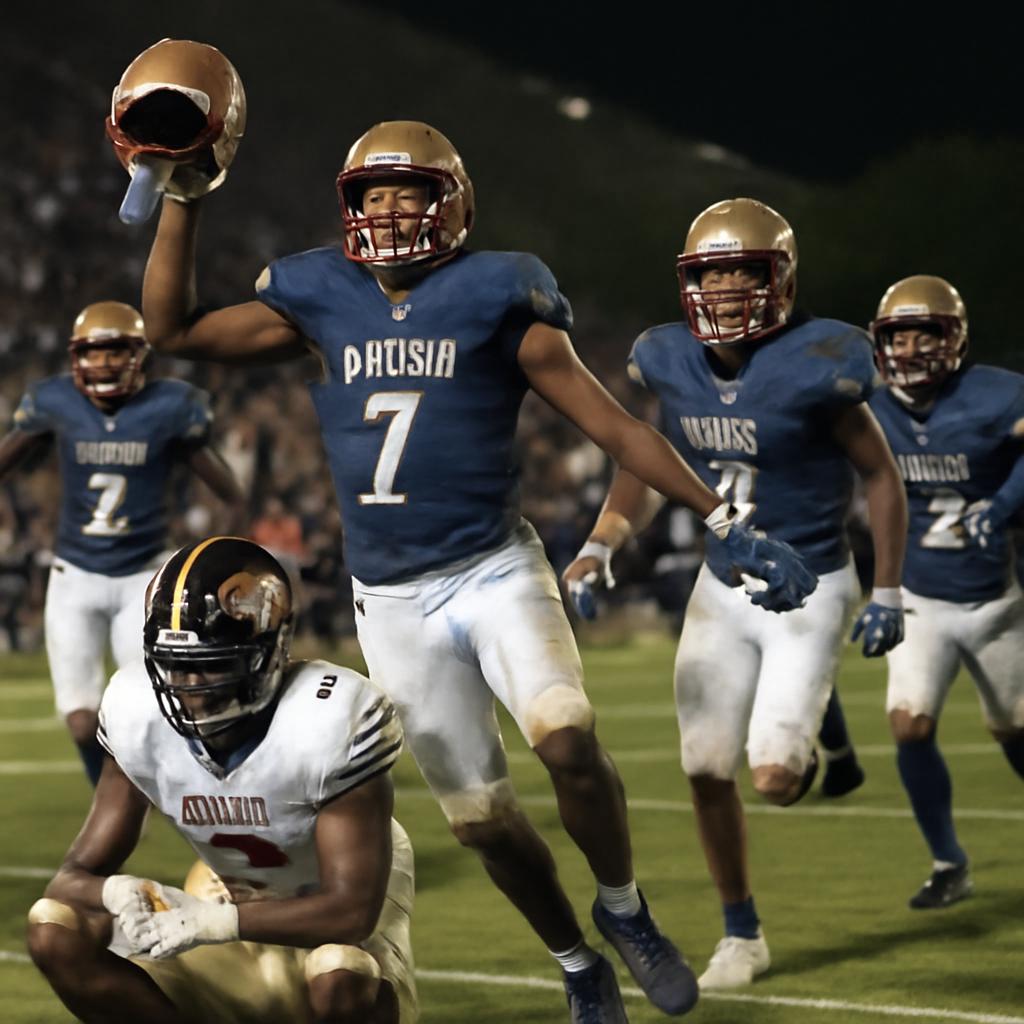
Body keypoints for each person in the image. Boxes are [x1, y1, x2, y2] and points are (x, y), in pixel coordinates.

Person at [118, 39, 815, 1020]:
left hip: (491, 567)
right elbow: (175, 329)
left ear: (456, 205)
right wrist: (184, 191)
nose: (394, 209)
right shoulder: (317, 293)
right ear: (350, 204)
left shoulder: (502, 289)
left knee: (567, 736)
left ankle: (623, 908)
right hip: (389, 596)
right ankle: (575, 961)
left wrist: (725, 516)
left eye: (413, 191)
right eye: (377, 192)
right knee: (484, 822)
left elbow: (613, 423)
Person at [564, 198, 908, 990]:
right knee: (705, 765)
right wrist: (601, 544)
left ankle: (816, 725)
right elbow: (645, 461)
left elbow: (881, 475)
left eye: (739, 271)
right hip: (723, 586)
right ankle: (740, 933)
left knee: (777, 780)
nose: (721, 288)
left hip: (811, 582)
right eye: (708, 273)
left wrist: (886, 587)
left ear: (778, 278)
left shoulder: (824, 357)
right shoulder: (669, 359)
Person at [26, 537, 417, 1024]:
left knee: (341, 971)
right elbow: (70, 880)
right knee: (52, 926)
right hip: (223, 898)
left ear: (269, 650)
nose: (189, 687)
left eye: (209, 663)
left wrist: (215, 922)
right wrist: (113, 892)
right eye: (174, 665)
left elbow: (350, 912)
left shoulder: (331, 719)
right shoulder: (135, 711)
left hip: (327, 927)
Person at [0, 300, 243, 785]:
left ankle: (190, 788)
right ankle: (109, 796)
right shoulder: (56, 403)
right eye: (95, 351)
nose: (105, 362)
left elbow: (227, 488)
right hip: (75, 572)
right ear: (76, 357)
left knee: (151, 705)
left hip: (143, 574)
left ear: (139, 355)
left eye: (116, 350)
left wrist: (222, 545)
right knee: (81, 717)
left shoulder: (171, 407)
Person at [868, 275, 1024, 908]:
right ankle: (947, 861)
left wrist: (1004, 502)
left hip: (994, 601)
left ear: (952, 337)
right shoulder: (867, 405)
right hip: (918, 597)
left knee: (1016, 734)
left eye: (921, 332)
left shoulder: (994, 393)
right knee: (909, 724)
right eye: (896, 334)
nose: (907, 348)